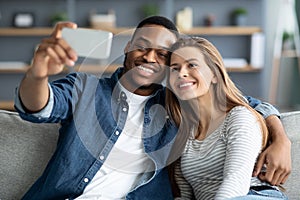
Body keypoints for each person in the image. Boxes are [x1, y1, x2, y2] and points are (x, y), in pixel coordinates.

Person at [14, 16, 290, 199]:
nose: (149, 57)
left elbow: (243, 104)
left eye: (162, 54)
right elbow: (39, 107)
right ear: (128, 49)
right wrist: (38, 75)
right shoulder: (86, 88)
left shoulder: (176, 107)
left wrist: (281, 139)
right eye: (142, 47)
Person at [166, 36, 289, 199]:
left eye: (192, 65)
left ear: (215, 75)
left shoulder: (239, 117)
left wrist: (282, 139)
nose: (181, 73)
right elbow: (185, 195)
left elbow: (235, 184)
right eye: (175, 68)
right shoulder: (183, 131)